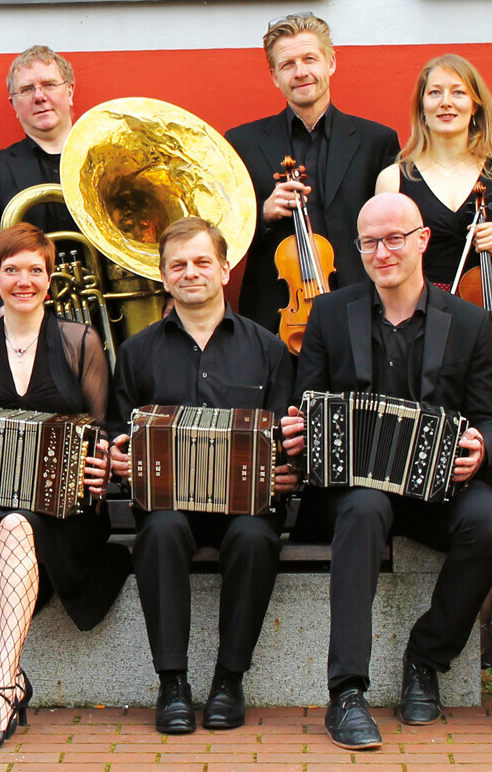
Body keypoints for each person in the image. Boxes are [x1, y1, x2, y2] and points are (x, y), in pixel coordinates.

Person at [282, 192, 492, 750]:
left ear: (422, 240)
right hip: (357, 487)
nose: (381, 252)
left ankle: (426, 658)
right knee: (362, 507)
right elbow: (306, 401)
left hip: (440, 488)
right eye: (369, 242)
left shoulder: (470, 320)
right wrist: (295, 433)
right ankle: (348, 693)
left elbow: (487, 415)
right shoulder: (330, 312)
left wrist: (480, 446)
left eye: (394, 239)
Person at [108, 216, 297, 734]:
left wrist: (288, 471)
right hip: (169, 505)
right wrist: (121, 459)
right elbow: (117, 429)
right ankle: (172, 683)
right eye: (178, 265)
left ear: (225, 267)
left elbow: (286, 435)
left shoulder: (269, 349)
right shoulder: (137, 350)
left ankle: (229, 680)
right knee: (161, 531)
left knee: (256, 539)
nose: (191, 273)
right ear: (164, 277)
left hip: (246, 507)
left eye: (201, 261)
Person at [0, 223, 118, 753]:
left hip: (66, 513)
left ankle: (0, 690)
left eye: (35, 270)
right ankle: (11, 677)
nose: (24, 280)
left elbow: (100, 430)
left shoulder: (79, 342)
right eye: (12, 270)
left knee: (19, 522)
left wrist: (102, 462)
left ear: (50, 280)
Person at [375, 54, 492, 434]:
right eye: (434, 93)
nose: (446, 102)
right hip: (423, 321)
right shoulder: (394, 177)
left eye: (458, 92)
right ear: (422, 106)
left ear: (476, 104)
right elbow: (382, 258)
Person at [227, 14, 401, 349]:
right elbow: (224, 237)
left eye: (310, 59)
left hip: (361, 309)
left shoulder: (377, 141)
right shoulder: (241, 142)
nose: (301, 72)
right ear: (274, 76)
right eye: (288, 64)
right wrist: (262, 213)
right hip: (276, 316)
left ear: (331, 62)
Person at [0, 46, 83, 329]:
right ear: (14, 104)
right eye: (26, 90)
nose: (39, 97)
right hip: (26, 326)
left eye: (49, 84)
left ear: (70, 91)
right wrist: (1, 310)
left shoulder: (107, 160)